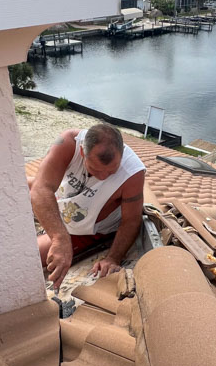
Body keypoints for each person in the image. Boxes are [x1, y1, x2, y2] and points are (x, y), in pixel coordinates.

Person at [29, 123, 145, 291]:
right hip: (63, 202)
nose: (104, 176)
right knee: (18, 186)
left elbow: (132, 221)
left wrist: (113, 258)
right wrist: (59, 238)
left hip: (86, 229)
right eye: (95, 170)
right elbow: (41, 189)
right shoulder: (68, 143)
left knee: (28, 255)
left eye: (112, 171)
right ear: (83, 152)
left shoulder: (132, 173)